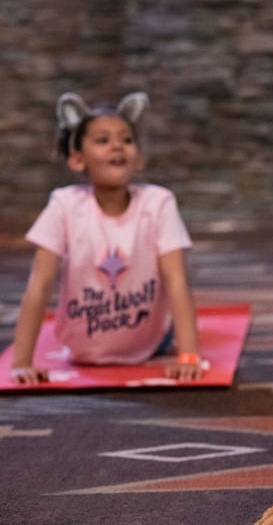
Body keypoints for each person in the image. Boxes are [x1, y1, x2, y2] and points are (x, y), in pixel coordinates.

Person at [8, 92, 202, 384]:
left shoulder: (158, 202)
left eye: (126, 140)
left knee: (179, 301)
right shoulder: (64, 205)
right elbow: (40, 283)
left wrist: (188, 356)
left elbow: (176, 279)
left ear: (139, 158)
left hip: (149, 343)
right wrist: (21, 363)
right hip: (80, 347)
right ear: (77, 159)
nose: (116, 146)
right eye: (102, 140)